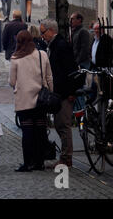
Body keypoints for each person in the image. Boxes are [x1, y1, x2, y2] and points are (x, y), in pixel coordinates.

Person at [9, 30, 53, 172]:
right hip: (41, 100)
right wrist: (50, 93)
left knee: (27, 132)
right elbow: (49, 77)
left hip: (24, 100)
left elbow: (12, 81)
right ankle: (40, 162)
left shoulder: (15, 58)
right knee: (40, 131)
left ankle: (28, 163)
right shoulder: (42, 55)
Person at [40, 19, 78, 167]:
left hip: (64, 93)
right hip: (59, 93)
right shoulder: (53, 45)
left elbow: (71, 71)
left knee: (63, 125)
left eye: (43, 32)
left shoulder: (61, 46)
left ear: (51, 30)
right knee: (59, 124)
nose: (42, 36)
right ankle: (65, 156)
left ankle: (66, 158)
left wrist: (71, 92)